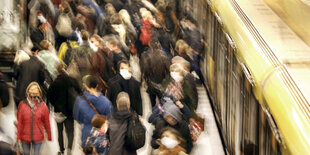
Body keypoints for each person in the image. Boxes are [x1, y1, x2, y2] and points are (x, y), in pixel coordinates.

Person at [47, 62, 82, 155]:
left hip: (58, 111)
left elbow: (49, 96)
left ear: (57, 71)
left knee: (60, 131)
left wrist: (56, 105)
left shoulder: (54, 83)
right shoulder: (72, 80)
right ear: (66, 69)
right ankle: (69, 148)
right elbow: (80, 92)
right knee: (70, 131)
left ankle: (61, 149)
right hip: (70, 111)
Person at [73, 75, 112, 145]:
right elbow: (110, 119)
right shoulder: (106, 102)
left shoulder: (79, 101)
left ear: (86, 86)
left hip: (87, 136)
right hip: (102, 138)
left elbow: (78, 118)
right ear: (97, 86)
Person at [16, 82, 52, 155]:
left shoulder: (43, 106)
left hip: (38, 136)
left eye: (36, 93)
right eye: (32, 92)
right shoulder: (22, 105)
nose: (34, 95)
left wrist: (49, 135)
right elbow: (19, 122)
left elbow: (46, 122)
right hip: (24, 137)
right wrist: (18, 137)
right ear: (28, 92)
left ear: (39, 93)